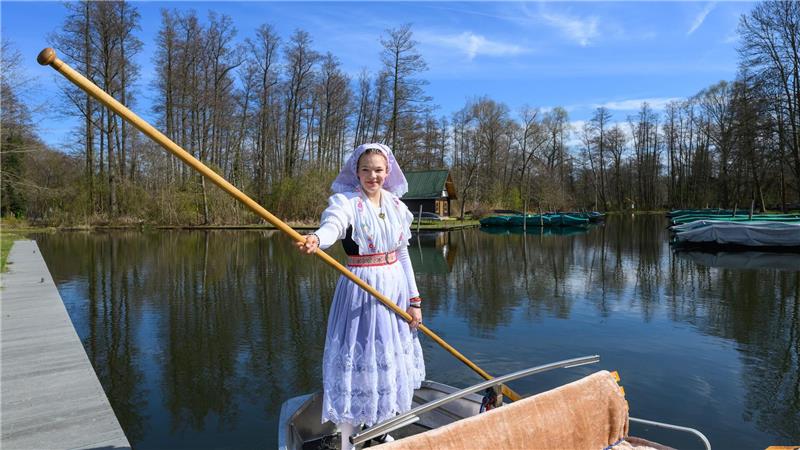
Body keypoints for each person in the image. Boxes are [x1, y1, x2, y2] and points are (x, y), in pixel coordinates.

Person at [296, 143, 425, 450]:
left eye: (378, 170)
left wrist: (414, 301)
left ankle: (380, 429)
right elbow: (333, 227)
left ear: (387, 172)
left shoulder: (396, 206)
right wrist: (317, 239)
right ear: (356, 172)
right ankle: (346, 437)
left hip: (394, 291)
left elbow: (403, 256)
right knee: (359, 359)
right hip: (360, 290)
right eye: (366, 170)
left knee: (387, 359)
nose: (372, 176)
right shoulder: (346, 202)